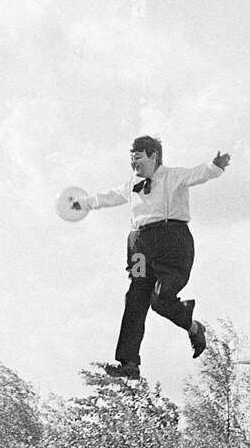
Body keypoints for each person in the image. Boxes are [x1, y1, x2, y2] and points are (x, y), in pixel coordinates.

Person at [80, 135, 230, 378]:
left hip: (171, 244)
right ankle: (129, 362)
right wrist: (83, 203)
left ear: (153, 155)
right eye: (131, 159)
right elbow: (109, 196)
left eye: (138, 157)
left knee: (160, 299)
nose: (134, 164)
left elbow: (198, 174)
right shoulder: (131, 185)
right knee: (136, 296)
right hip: (139, 248)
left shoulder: (173, 176)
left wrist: (216, 167)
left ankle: (193, 327)